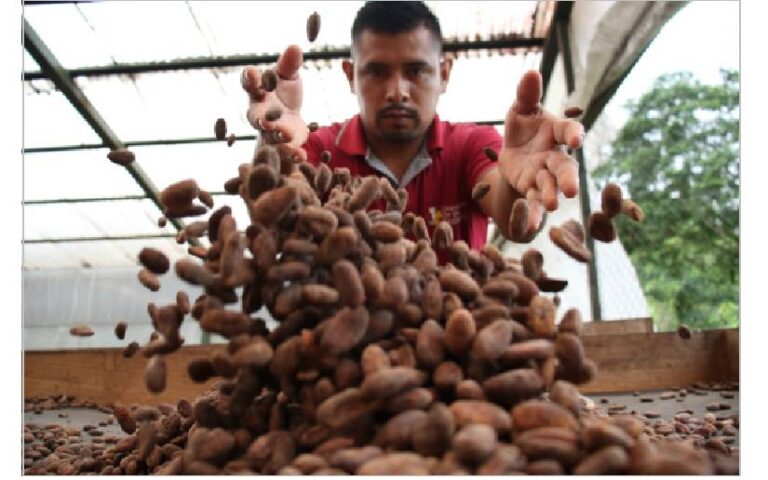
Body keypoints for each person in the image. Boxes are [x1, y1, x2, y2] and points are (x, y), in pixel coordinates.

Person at [240, 1, 583, 254]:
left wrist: (521, 187)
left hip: (458, 346)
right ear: (350, 76)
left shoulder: (472, 145)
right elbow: (269, 220)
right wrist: (272, 146)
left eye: (416, 71)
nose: (397, 91)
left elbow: (513, 220)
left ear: (444, 74)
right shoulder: (319, 150)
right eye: (376, 72)